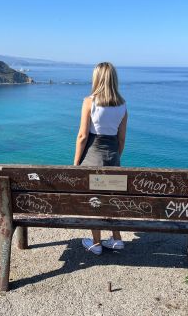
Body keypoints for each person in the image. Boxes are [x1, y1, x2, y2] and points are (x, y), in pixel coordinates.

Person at [73, 62, 128, 255]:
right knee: (112, 197)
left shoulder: (89, 102)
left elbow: (82, 136)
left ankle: (96, 243)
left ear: (97, 79)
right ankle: (117, 239)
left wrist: (76, 163)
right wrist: (115, 158)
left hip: (92, 160)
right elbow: (121, 139)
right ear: (114, 79)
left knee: (94, 200)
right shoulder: (122, 105)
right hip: (113, 158)